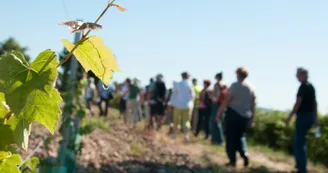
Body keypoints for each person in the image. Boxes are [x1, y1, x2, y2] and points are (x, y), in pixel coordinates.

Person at [216, 67, 255, 168]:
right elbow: (253, 104)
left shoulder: (235, 85)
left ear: (238, 74)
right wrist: (252, 118)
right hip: (245, 115)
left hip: (233, 113)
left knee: (230, 138)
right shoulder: (251, 87)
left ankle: (232, 160)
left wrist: (219, 113)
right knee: (240, 136)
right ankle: (244, 153)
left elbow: (227, 100)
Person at [285, 67, 318, 173]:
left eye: (298, 74)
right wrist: (316, 118)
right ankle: (299, 165)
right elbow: (314, 103)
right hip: (311, 116)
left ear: (303, 75)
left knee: (299, 142)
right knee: (300, 141)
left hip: (303, 116)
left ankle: (302, 168)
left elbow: (298, 103)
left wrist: (290, 117)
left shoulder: (302, 87)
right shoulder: (311, 87)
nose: (296, 76)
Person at [170, 72, 195, 142]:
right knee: (186, 121)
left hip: (178, 105)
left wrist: (171, 103)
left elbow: (174, 94)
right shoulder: (190, 84)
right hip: (187, 105)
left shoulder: (178, 84)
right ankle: (186, 136)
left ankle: (175, 136)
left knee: (176, 120)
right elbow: (193, 95)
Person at [210, 72, 225, 145]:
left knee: (216, 121)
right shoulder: (224, 85)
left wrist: (213, 98)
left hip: (217, 104)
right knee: (218, 121)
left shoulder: (218, 84)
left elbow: (216, 95)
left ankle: (218, 140)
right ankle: (216, 140)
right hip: (221, 104)